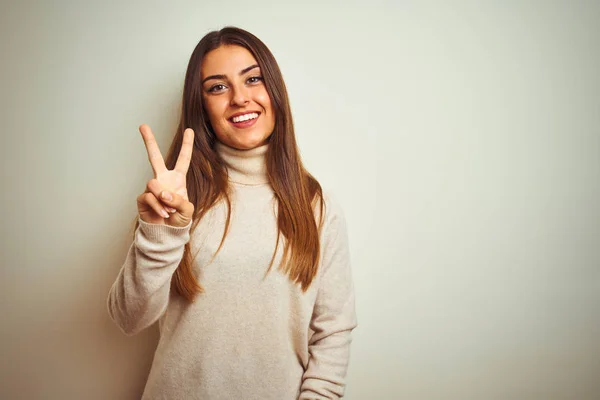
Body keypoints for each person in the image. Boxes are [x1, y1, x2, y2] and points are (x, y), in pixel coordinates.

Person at [107, 26, 357, 400]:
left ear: (274, 90)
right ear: (202, 106)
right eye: (218, 87)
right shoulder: (178, 199)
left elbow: (333, 332)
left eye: (253, 79)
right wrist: (158, 233)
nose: (240, 98)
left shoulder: (315, 205)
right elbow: (129, 318)